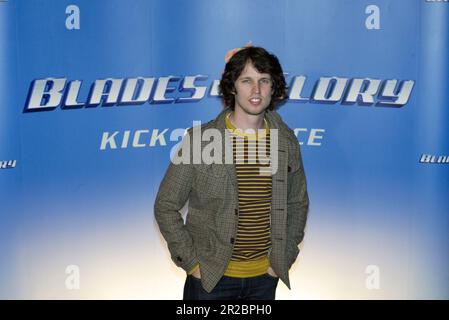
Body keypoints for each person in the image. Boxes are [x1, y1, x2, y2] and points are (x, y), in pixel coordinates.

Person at [154, 45, 309, 300]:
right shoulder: (201, 141)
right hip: (210, 281)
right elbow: (165, 205)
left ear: (274, 87)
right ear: (233, 86)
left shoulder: (286, 141)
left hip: (264, 281)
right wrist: (192, 264)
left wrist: (282, 260)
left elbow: (297, 203)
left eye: (264, 81)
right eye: (246, 80)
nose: (256, 90)